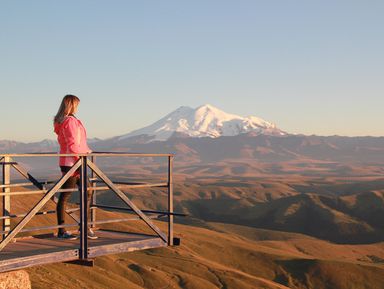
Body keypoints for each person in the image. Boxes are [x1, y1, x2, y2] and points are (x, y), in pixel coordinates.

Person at [53, 94, 97, 240]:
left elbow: (75, 142)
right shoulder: (70, 121)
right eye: (76, 104)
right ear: (71, 105)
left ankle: (81, 227)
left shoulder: (63, 121)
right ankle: (62, 231)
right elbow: (72, 144)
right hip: (74, 163)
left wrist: (86, 151)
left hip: (70, 162)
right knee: (67, 196)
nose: (78, 107)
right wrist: (80, 159)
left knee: (86, 191)